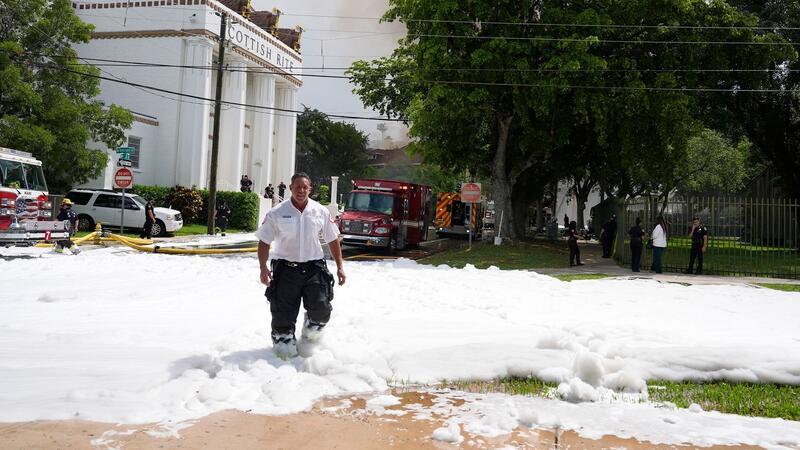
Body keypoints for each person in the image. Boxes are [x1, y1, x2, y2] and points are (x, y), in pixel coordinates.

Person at [256, 172, 346, 359]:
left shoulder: (320, 211)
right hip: (285, 270)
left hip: (314, 268)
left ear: (310, 189)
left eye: (305, 187)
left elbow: (332, 239)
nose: (301, 190)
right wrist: (263, 268)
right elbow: (264, 241)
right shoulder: (276, 213)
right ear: (290, 188)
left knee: (321, 310)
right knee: (283, 317)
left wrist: (340, 267)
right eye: (297, 187)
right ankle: (283, 355)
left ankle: (309, 339)